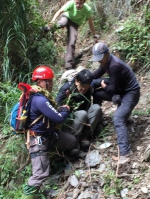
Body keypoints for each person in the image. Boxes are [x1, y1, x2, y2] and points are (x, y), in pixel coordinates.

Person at [21, 65, 80, 199]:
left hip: (49, 136)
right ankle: (26, 195)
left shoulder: (41, 96)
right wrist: (65, 110)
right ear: (40, 82)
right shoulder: (39, 99)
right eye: (49, 81)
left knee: (72, 141)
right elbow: (58, 118)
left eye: (52, 81)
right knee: (40, 173)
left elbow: (51, 112)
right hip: (37, 140)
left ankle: (64, 159)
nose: (52, 84)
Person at [91, 42, 140, 164]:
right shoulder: (105, 62)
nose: (99, 61)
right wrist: (83, 78)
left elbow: (112, 89)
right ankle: (99, 119)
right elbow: (95, 75)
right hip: (121, 90)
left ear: (108, 54)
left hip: (131, 93)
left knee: (118, 119)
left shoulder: (114, 66)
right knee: (96, 94)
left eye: (101, 58)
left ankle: (125, 153)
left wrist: (103, 86)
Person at [44, 0, 98, 70]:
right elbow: (60, 11)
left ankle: (68, 65)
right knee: (62, 22)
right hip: (66, 17)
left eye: (80, 3)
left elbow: (91, 23)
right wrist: (52, 22)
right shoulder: (71, 3)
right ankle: (47, 28)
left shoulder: (87, 9)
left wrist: (94, 36)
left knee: (72, 41)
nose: (78, 5)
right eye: (77, 3)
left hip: (74, 24)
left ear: (84, 2)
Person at [56, 69, 103, 149]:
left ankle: (86, 136)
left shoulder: (91, 85)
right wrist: (66, 105)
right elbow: (56, 105)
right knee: (82, 113)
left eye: (86, 87)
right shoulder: (67, 88)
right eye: (82, 86)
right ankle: (74, 141)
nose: (84, 89)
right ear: (76, 81)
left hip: (86, 119)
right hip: (72, 121)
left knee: (96, 108)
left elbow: (103, 81)